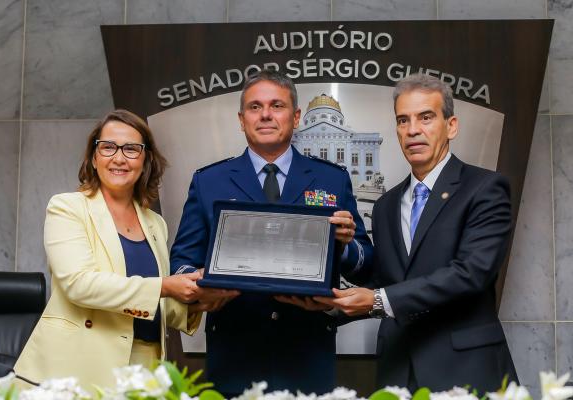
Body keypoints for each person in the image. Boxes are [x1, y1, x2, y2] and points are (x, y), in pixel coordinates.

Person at [170, 70, 373, 396]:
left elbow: (365, 264)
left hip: (308, 352)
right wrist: (198, 286)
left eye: (276, 105)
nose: (265, 114)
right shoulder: (209, 181)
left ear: (295, 117)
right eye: (255, 107)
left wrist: (346, 245)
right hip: (235, 353)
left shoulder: (332, 179)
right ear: (241, 119)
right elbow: (181, 261)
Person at [314, 73, 518, 393]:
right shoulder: (385, 205)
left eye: (426, 117)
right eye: (403, 120)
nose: (412, 130)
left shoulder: (485, 188)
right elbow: (387, 279)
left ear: (451, 125)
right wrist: (327, 305)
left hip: (466, 371)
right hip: (399, 371)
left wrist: (378, 300)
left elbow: (470, 273)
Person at [14, 110, 237, 390]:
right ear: (94, 157)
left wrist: (199, 295)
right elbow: (79, 284)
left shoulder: (155, 223)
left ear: (145, 161)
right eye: (108, 147)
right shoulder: (67, 207)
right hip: (77, 369)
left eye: (131, 149)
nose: (119, 158)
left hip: (143, 370)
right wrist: (166, 287)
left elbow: (151, 302)